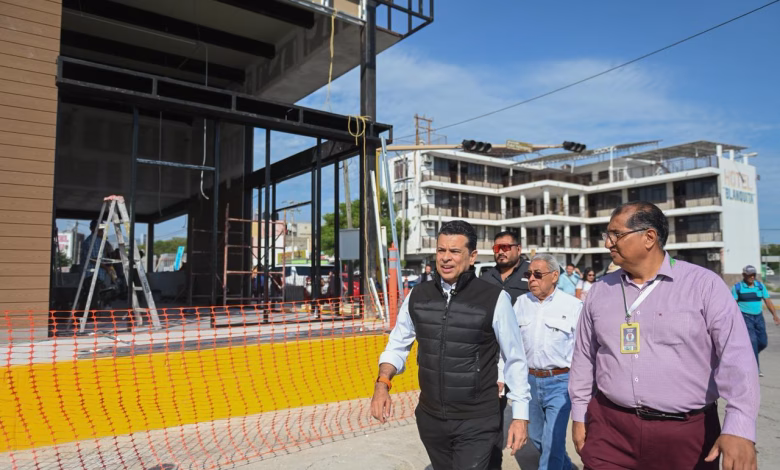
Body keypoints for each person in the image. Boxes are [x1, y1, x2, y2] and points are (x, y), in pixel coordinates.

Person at [569, 201, 759, 469]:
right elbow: (584, 358)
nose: (608, 243)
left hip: (685, 436)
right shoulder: (600, 291)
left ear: (649, 237)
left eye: (616, 234)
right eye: (607, 235)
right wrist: (579, 414)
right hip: (610, 430)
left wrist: (739, 426)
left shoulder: (704, 285)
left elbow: (737, 358)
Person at [371, 220, 531, 470]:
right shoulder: (417, 296)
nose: (446, 258)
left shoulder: (495, 299)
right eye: (441, 250)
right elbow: (397, 346)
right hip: (431, 419)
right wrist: (382, 384)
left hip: (477, 419)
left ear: (472, 256)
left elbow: (515, 358)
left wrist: (520, 415)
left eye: (455, 251)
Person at [514, 253, 582, 470]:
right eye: (528, 275)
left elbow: (582, 350)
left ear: (554, 276)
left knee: (553, 440)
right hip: (529, 382)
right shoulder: (521, 303)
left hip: (560, 382)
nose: (531, 279)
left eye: (537, 274)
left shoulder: (573, 306)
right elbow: (511, 345)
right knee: (537, 437)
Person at [480, 229, 531, 467]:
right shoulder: (485, 278)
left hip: (527, 356)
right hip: (494, 358)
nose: (500, 252)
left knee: (537, 421)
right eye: (496, 248)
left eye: (506, 247)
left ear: (518, 249)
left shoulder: (533, 273)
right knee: (493, 414)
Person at [732, 264, 779, 377]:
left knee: (763, 342)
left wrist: (775, 315)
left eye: (753, 274)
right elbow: (732, 305)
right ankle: (755, 368)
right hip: (745, 317)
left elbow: (768, 301)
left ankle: (748, 355)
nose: (752, 277)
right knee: (752, 341)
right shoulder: (737, 288)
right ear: (744, 275)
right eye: (749, 275)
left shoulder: (760, 286)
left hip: (759, 317)